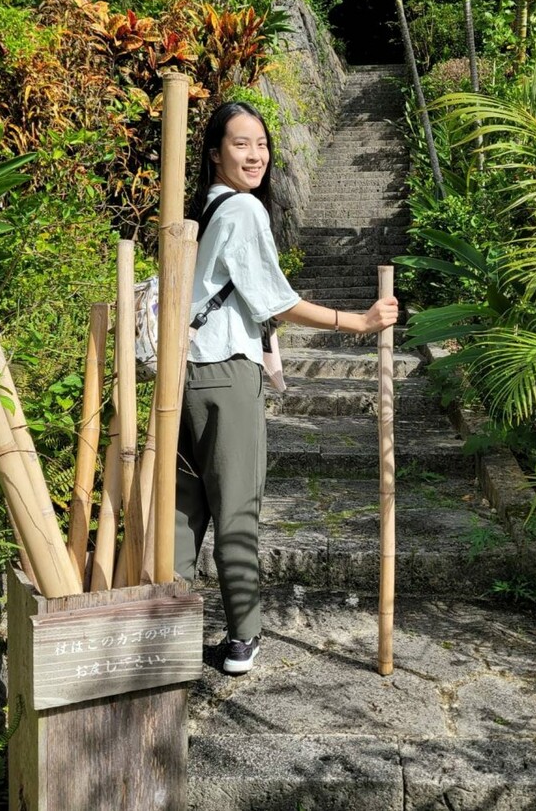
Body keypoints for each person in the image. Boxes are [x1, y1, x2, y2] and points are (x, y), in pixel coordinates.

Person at [176, 101, 399, 674]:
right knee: (237, 507)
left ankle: (161, 631)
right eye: (241, 144)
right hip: (226, 372)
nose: (255, 155)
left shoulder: (207, 209)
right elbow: (274, 299)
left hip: (186, 373)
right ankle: (243, 639)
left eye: (262, 144)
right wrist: (360, 322)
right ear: (214, 152)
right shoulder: (244, 210)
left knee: (184, 511)